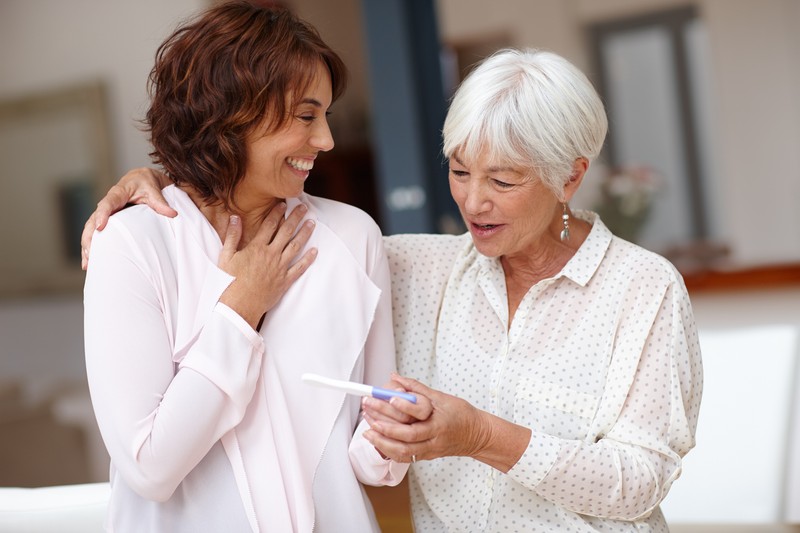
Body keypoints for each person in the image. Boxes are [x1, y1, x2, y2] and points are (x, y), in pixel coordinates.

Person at [83, 48, 703, 531]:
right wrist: (168, 180)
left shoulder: (643, 289)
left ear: (570, 178)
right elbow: (246, 206)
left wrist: (480, 436)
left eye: (505, 181)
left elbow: (639, 481)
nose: (473, 201)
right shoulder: (412, 266)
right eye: (459, 171)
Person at [82, 3, 410, 532]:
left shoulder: (352, 238)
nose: (326, 140)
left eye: (325, 115)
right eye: (307, 116)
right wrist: (240, 308)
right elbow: (149, 466)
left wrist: (396, 438)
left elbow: (370, 456)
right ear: (229, 116)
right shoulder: (132, 244)